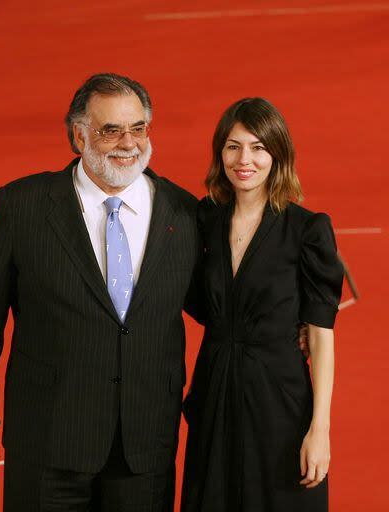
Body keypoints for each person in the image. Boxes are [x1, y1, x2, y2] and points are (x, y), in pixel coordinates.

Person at [0, 73, 204, 511]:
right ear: (78, 135)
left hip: (144, 441)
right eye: (111, 130)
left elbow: (212, 302)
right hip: (50, 438)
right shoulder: (24, 205)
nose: (129, 142)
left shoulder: (185, 212)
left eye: (138, 127)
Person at [181, 98, 342, 511]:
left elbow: (321, 335)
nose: (244, 159)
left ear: (278, 154)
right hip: (215, 394)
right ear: (220, 152)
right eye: (233, 146)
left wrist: (319, 429)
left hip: (280, 402)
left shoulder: (307, 230)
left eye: (258, 147)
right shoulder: (206, 220)